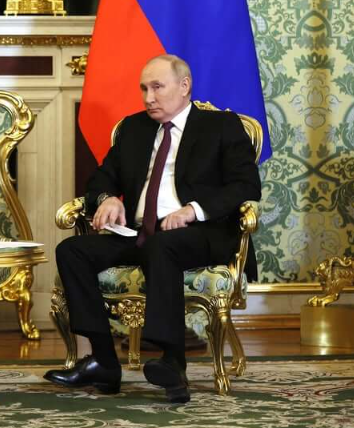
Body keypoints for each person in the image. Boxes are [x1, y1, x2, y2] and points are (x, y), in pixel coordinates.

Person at [44, 54, 261, 403]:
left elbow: (245, 187)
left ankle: (173, 362)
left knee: (164, 247)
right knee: (72, 250)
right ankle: (102, 360)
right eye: (144, 88)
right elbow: (101, 178)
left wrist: (193, 210)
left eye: (157, 87)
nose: (148, 97)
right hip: (139, 234)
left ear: (184, 86)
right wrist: (105, 199)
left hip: (201, 235)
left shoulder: (221, 126)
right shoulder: (134, 128)